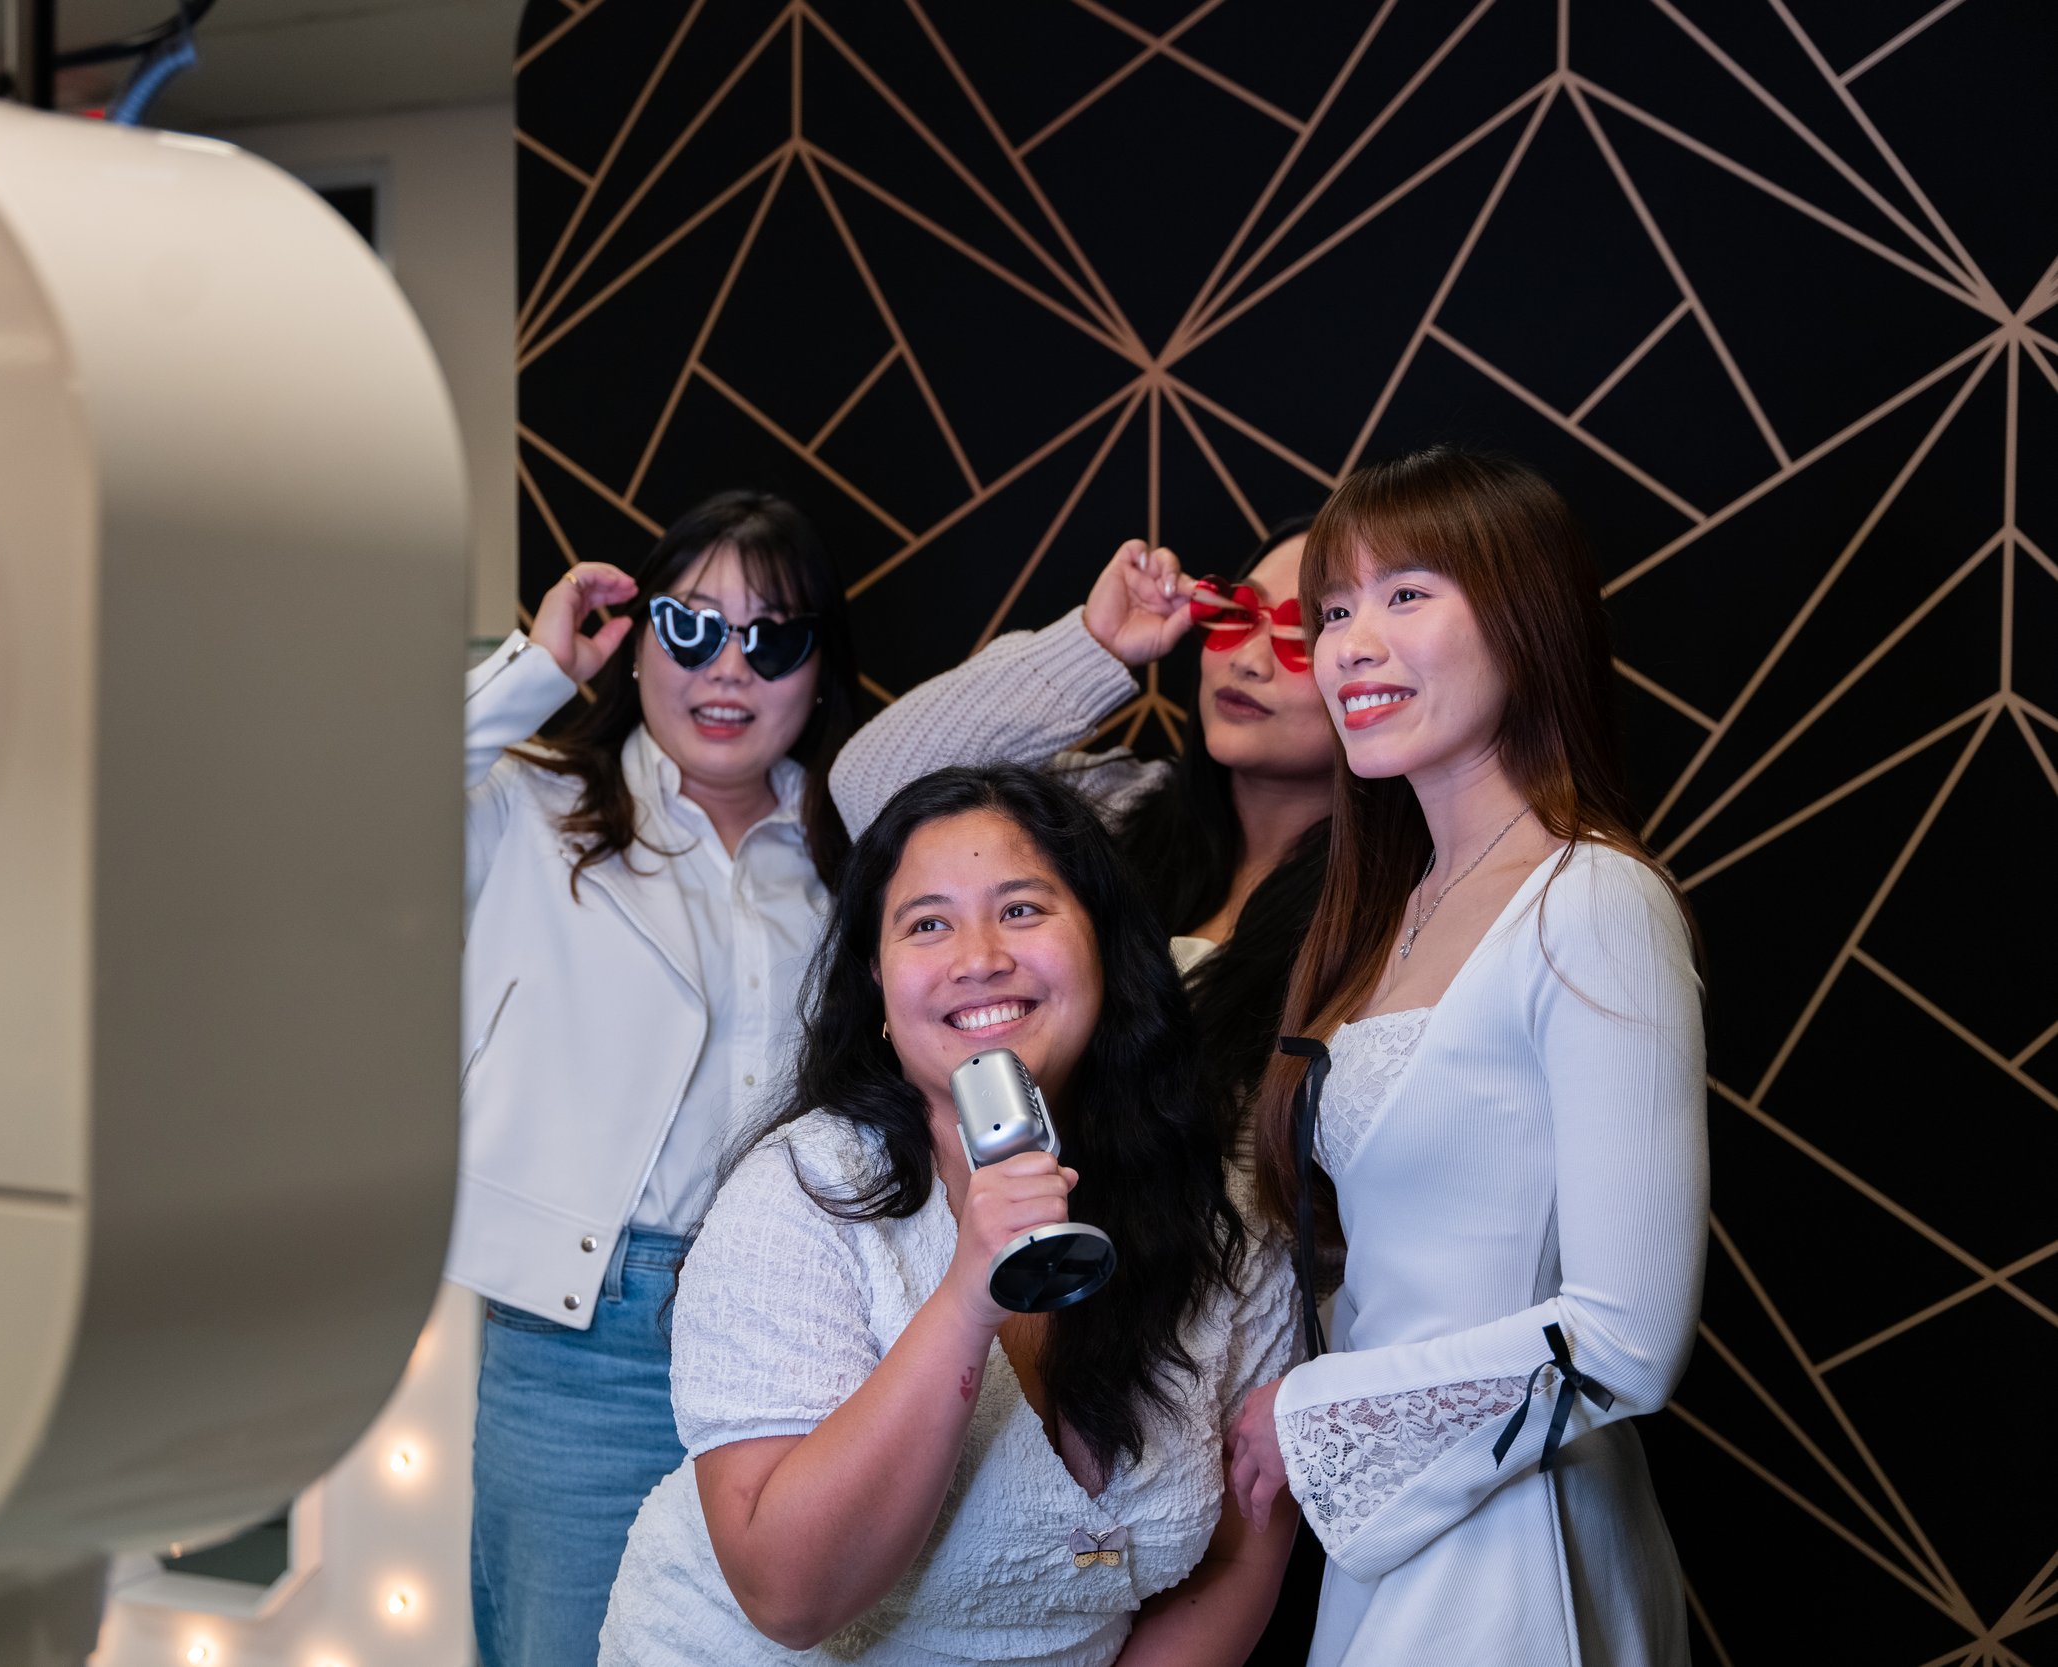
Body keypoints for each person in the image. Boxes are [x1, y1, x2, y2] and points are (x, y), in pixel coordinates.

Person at [599, 764, 1299, 1666]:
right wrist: (969, 1299)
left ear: (1108, 951)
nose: (979, 957)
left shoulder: (1222, 1209)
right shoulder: (801, 1194)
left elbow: (1242, 1551)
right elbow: (788, 1596)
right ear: (881, 990)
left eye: (1021, 909)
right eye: (927, 923)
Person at [1223, 446, 1709, 1665]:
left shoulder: (1588, 898)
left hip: (1514, 1536)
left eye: (1406, 594)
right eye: (1333, 608)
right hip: (1398, 1531)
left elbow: (1627, 1338)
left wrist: (1315, 1411)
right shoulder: (1387, 903)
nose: (1349, 642)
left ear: (1523, 617)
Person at [832, 521, 1340, 1663]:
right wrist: (1096, 646)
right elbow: (876, 789)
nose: (1246, 656)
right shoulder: (1111, 817)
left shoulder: (1386, 913)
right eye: (1231, 616)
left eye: (1301, 633)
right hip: (992, 1290)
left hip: (1207, 1350)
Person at [455, 489, 861, 1667]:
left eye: (773, 636)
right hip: (586, 1337)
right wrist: (535, 666)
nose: (729, 668)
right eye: (690, 629)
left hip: (807, 1328)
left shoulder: (855, 851)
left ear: (818, 667)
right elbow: (349, 814)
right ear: (635, 645)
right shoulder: (526, 806)